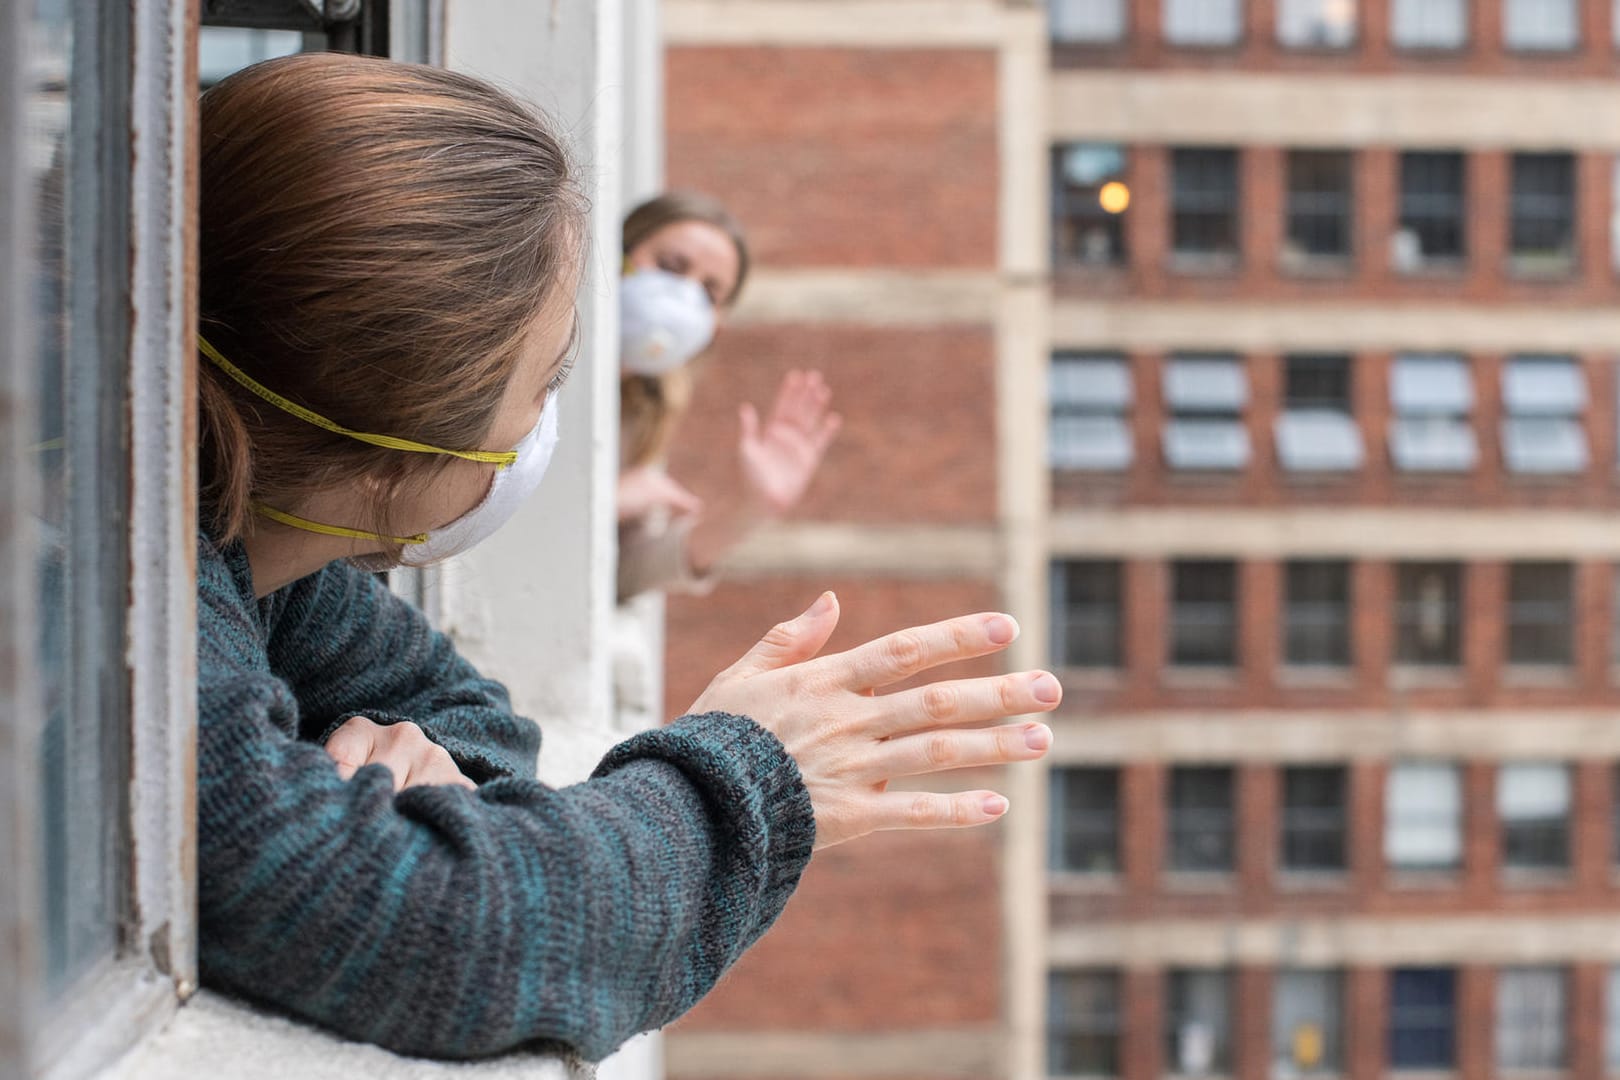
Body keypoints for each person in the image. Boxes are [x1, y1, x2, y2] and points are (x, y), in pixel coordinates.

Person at [195, 53, 1060, 1063]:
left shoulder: (251, 554)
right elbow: (456, 933)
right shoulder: (121, 622)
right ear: (397, 458)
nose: (545, 427)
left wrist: (424, 779)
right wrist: (745, 782)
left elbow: (471, 718)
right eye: (544, 381)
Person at [616, 192, 840, 601]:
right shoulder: (535, 353)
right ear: (619, 255)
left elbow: (617, 574)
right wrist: (605, 500)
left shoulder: (644, 413)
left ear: (715, 325)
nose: (684, 297)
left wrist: (751, 511)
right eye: (670, 266)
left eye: (710, 293)